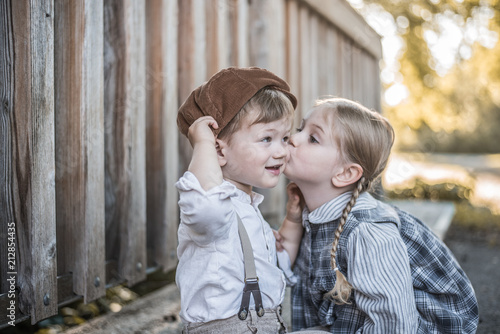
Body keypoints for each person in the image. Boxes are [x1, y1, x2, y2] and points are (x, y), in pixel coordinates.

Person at [276, 97, 479, 333]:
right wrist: (291, 222)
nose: (292, 137)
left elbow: (394, 326)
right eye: (300, 129)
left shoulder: (368, 232)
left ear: (345, 173)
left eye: (312, 138)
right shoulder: (314, 213)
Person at [175, 66, 298, 333]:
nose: (281, 151)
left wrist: (293, 220)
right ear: (220, 150)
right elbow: (207, 206)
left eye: (285, 138)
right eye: (266, 138)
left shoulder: (248, 208)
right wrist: (203, 145)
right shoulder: (214, 207)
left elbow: (277, 269)